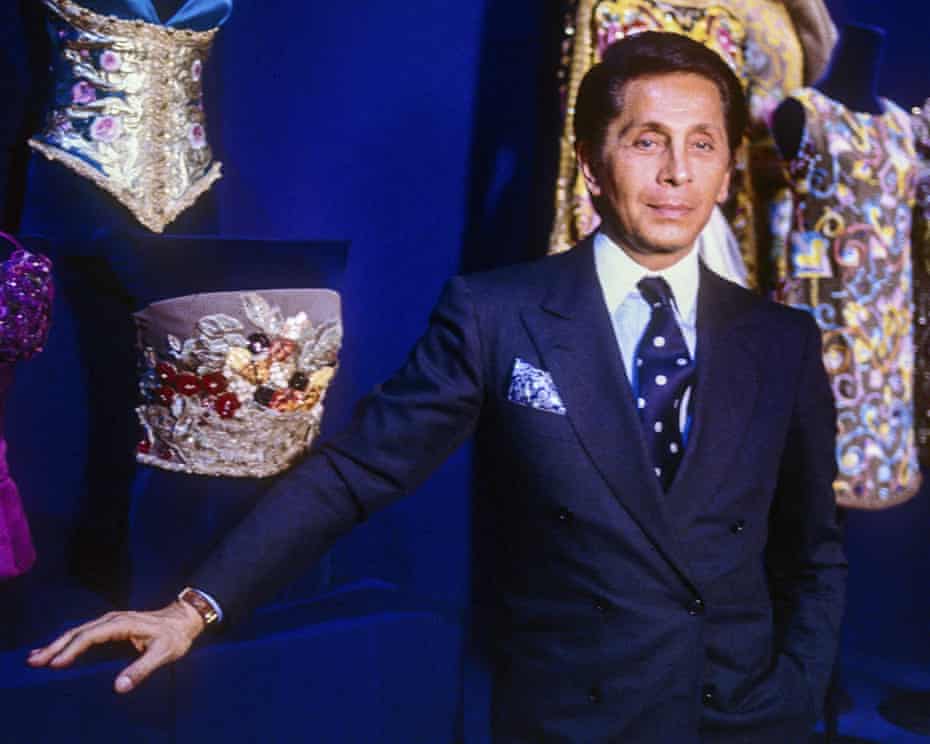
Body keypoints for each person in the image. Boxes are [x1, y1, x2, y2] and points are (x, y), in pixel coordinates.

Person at [29, 31, 846, 743]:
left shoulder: (782, 340)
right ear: (592, 164)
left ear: (728, 168)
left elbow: (813, 551)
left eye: (702, 144)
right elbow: (356, 472)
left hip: (737, 718)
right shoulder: (499, 314)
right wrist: (193, 608)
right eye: (646, 141)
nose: (676, 173)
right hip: (575, 718)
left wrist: (796, 695)